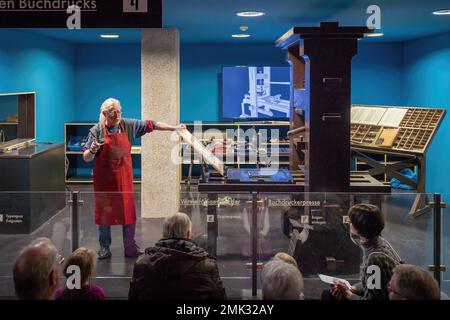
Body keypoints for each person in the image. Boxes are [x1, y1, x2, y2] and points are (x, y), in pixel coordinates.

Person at [83, 98, 185, 259]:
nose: (117, 114)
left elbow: (153, 124)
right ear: (104, 113)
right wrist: (93, 150)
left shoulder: (129, 125)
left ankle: (129, 247)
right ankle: (104, 247)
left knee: (128, 214)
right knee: (104, 215)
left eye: (119, 111)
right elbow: (86, 157)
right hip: (104, 181)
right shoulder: (96, 131)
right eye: (113, 111)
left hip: (124, 178)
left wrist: (174, 128)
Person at [128, 212, 227, 300]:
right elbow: (220, 297)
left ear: (163, 234)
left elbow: (133, 295)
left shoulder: (142, 263)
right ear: (188, 233)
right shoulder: (206, 265)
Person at [323, 203, 402, 300]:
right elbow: (374, 283)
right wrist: (353, 288)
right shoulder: (380, 242)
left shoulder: (375, 259)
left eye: (351, 221)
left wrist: (348, 294)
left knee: (328, 296)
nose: (349, 223)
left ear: (359, 227)